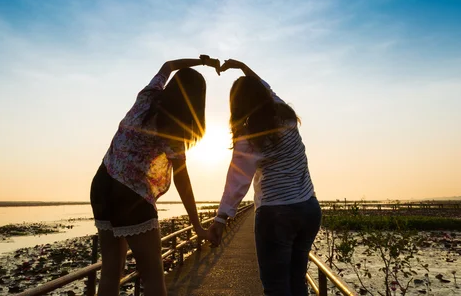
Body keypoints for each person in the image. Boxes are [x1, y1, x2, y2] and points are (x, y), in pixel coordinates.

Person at [90, 56, 220, 296]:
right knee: (153, 276)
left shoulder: (147, 96)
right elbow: (182, 180)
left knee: (110, 271)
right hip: (131, 196)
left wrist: (201, 62)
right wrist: (198, 227)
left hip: (102, 182)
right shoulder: (173, 126)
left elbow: (168, 65)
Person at [208, 59, 322, 296]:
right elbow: (265, 87)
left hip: (276, 213)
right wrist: (242, 66)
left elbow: (237, 181)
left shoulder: (250, 136)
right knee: (297, 281)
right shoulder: (287, 117)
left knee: (276, 287)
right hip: (308, 208)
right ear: (263, 95)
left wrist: (220, 219)